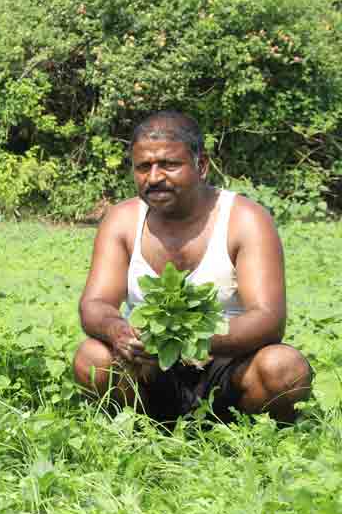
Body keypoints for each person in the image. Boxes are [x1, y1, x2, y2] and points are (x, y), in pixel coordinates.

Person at [74, 111, 313, 423]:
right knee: (90, 358)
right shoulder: (122, 220)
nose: (154, 177)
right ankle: (147, 429)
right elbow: (95, 303)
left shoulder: (245, 219)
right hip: (148, 368)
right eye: (143, 167)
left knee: (286, 369)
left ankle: (237, 431)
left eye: (169, 165)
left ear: (201, 165)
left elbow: (268, 320)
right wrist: (117, 331)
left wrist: (185, 339)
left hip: (227, 366)